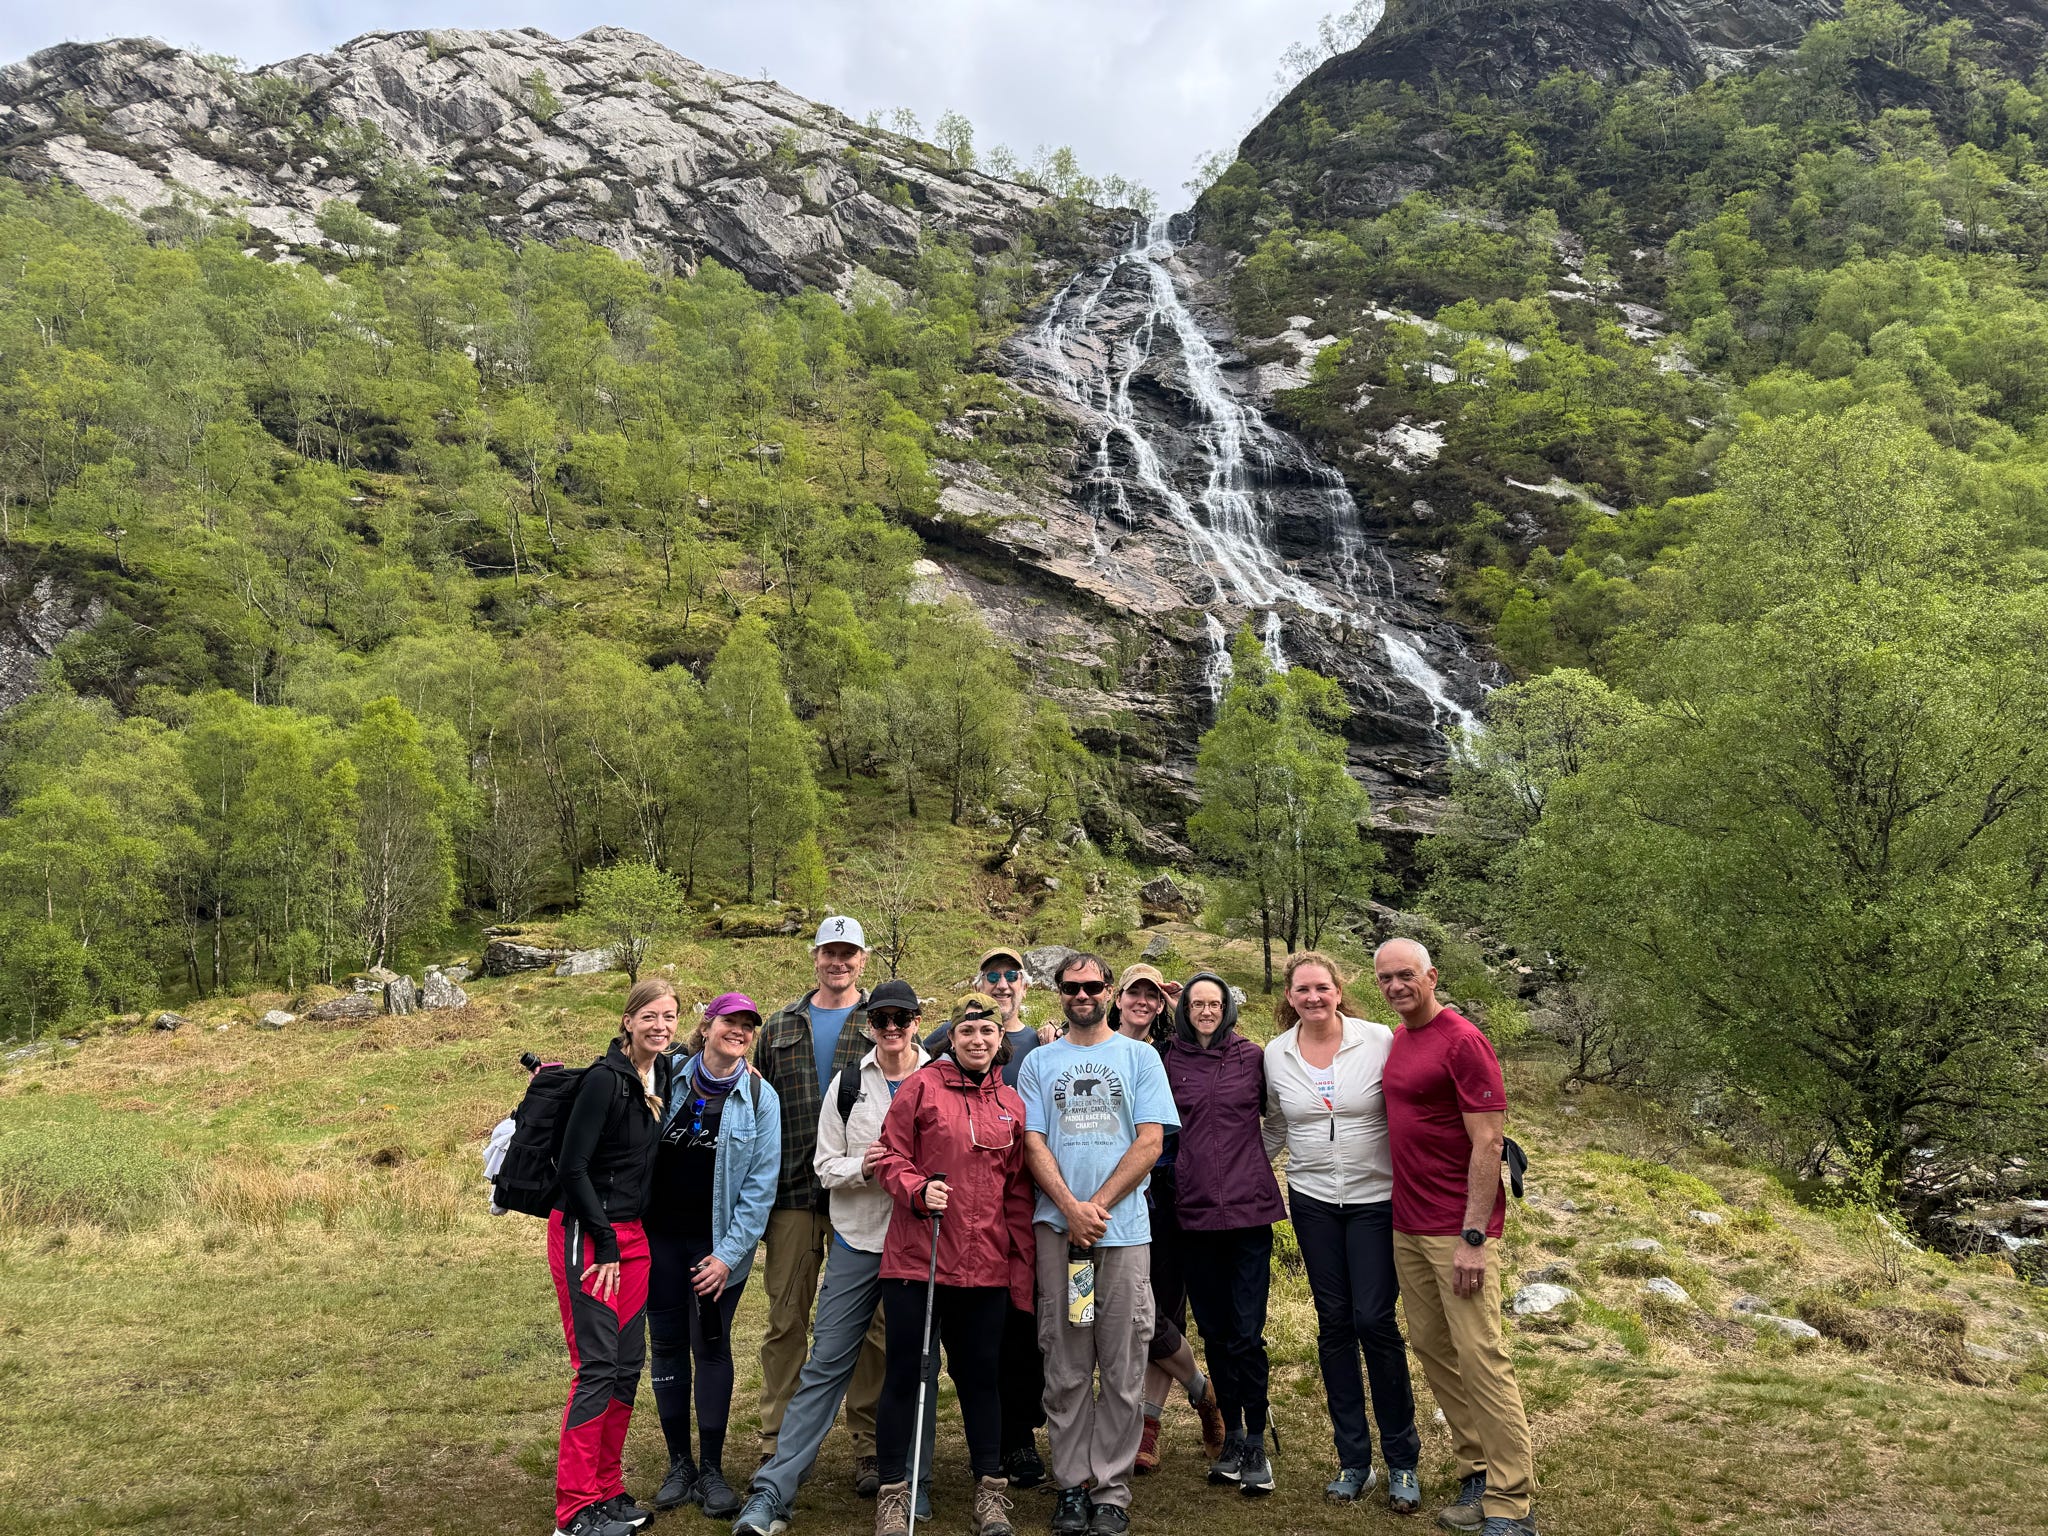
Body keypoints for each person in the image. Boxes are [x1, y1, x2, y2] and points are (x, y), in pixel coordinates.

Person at [732, 980, 937, 1536]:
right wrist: (865, 1169)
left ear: (918, 1021)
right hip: (859, 1240)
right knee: (827, 1364)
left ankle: (910, 1482)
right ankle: (776, 1489)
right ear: (869, 1024)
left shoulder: (940, 1082)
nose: (892, 1028)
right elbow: (825, 1167)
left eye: (902, 1018)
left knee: (917, 1365)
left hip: (920, 1247)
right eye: (882, 1019)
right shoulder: (849, 1085)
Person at [1374, 939, 1537, 1536]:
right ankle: (1476, 1469)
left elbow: (1490, 1143)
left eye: (1406, 976)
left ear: (1431, 976)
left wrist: (1474, 1236)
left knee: (1481, 1355)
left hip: (1455, 1228)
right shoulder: (1400, 1040)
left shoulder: (1463, 1040)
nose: (1396, 986)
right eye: (1386, 978)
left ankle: (1512, 1501)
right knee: (1435, 1349)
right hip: (1407, 1223)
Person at [1018, 953, 1179, 1536]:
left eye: (1092, 986)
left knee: (1122, 1360)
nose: (1082, 994)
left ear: (1108, 990)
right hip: (1063, 1239)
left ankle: (1110, 1488)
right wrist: (1069, 1209)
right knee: (1066, 1356)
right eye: (1071, 986)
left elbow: (1151, 1141)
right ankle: (1071, 1483)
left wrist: (1098, 1207)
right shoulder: (1039, 1062)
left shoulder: (1140, 1058)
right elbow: (1032, 1141)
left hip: (1121, 1234)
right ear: (1058, 992)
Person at [870, 991, 1036, 1536]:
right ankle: (895, 1494)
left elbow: (1016, 1193)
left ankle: (990, 1492)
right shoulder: (921, 1087)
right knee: (903, 1376)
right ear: (951, 1038)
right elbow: (888, 1156)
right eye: (967, 1032)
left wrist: (1020, 1269)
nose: (978, 1040)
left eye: (987, 1032)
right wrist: (918, 1190)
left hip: (985, 1266)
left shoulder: (1012, 1104)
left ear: (1000, 1040)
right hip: (919, 1261)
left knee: (979, 1379)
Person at [1261, 952, 1422, 1512]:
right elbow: (1275, 1126)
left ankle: (1402, 1460)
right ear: (1289, 995)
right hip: (1313, 1203)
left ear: (1338, 990)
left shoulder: (1378, 1039)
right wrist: (1238, 1180)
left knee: (1374, 1321)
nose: (1312, 998)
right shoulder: (1275, 1055)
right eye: (1302, 990)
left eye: (1322, 988)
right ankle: (1355, 1460)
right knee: (1334, 1325)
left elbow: (1411, 1105)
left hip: (1377, 1200)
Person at [755, 916, 886, 1492]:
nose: (839, 962)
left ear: (863, 959)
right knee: (786, 1319)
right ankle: (779, 1445)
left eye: (849, 954)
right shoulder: (781, 1023)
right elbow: (755, 1103)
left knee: (871, 1325)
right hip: (792, 1193)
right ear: (815, 956)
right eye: (830, 952)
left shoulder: (883, 1021)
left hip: (864, 1196)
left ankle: (870, 1443)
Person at [546, 979, 678, 1536]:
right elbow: (571, 1169)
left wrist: (744, 1069)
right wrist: (602, 1243)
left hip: (634, 1238)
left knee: (627, 1368)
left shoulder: (664, 1072)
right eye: (649, 1016)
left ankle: (606, 1489)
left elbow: (709, 1052)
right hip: (588, 1235)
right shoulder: (604, 1081)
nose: (660, 1026)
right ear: (627, 1020)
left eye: (669, 1017)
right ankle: (574, 1510)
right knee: (597, 1367)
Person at [646, 992, 781, 1519]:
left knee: (711, 1345)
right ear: (707, 1027)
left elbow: (759, 1188)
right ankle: (678, 1462)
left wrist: (726, 1256)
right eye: (731, 1022)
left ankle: (712, 1469)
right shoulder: (666, 1076)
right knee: (668, 1345)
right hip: (659, 1240)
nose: (740, 1031)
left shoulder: (759, 1097)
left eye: (749, 1025)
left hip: (716, 1248)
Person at [924, 946, 1047, 1487]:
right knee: (970, 1343)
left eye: (1010, 975)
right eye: (992, 975)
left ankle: (1018, 1440)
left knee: (1018, 1336)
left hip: (1025, 1204)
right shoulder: (943, 1050)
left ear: (1024, 983)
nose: (1001, 982)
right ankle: (984, 1445)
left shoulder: (1046, 1046)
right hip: (956, 1216)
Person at [1163, 973, 1285, 1496]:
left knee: (1246, 1334)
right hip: (1192, 1214)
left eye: (1215, 1003)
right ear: (1185, 1010)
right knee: (1213, 1331)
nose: (1207, 1011)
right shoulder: (1167, 1060)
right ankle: (1231, 1437)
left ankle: (1256, 1442)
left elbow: (1276, 1121)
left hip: (1249, 1214)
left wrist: (1253, 1164)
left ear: (1228, 1008)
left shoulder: (1252, 1056)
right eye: (1198, 1004)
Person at [1106, 965, 1225, 1478]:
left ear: (1161, 1006)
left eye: (1153, 996)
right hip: (1100, 1199)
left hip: (1166, 1201)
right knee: (1124, 1317)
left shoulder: (1170, 1054)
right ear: (1117, 997)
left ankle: (1146, 1427)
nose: (1143, 1001)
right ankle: (1205, 1393)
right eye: (1134, 991)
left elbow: (1212, 1034)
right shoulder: (1087, 1044)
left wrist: (1178, 1003)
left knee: (1158, 1315)